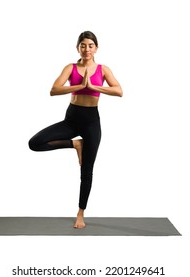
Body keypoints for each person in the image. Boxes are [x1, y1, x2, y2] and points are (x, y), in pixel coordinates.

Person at [28, 31, 123, 229]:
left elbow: (119, 91)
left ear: (96, 48)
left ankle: (80, 213)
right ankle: (75, 144)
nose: (86, 49)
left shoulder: (103, 69)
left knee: (86, 171)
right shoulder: (70, 68)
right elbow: (54, 90)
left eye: (90, 45)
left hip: (91, 122)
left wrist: (94, 86)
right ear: (77, 48)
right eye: (82, 45)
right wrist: (80, 85)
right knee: (35, 143)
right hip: (71, 119)